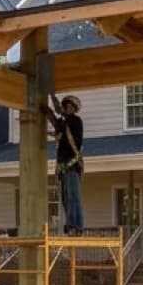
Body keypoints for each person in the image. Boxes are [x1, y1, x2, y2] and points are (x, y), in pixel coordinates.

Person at [46, 94, 85, 235]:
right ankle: (70, 224)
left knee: (74, 196)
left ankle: (77, 225)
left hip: (73, 164)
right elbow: (57, 124)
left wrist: (53, 101)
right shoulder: (64, 123)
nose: (67, 109)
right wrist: (48, 113)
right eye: (65, 107)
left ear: (74, 109)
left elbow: (61, 122)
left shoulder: (75, 121)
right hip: (63, 165)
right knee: (65, 198)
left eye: (69, 107)